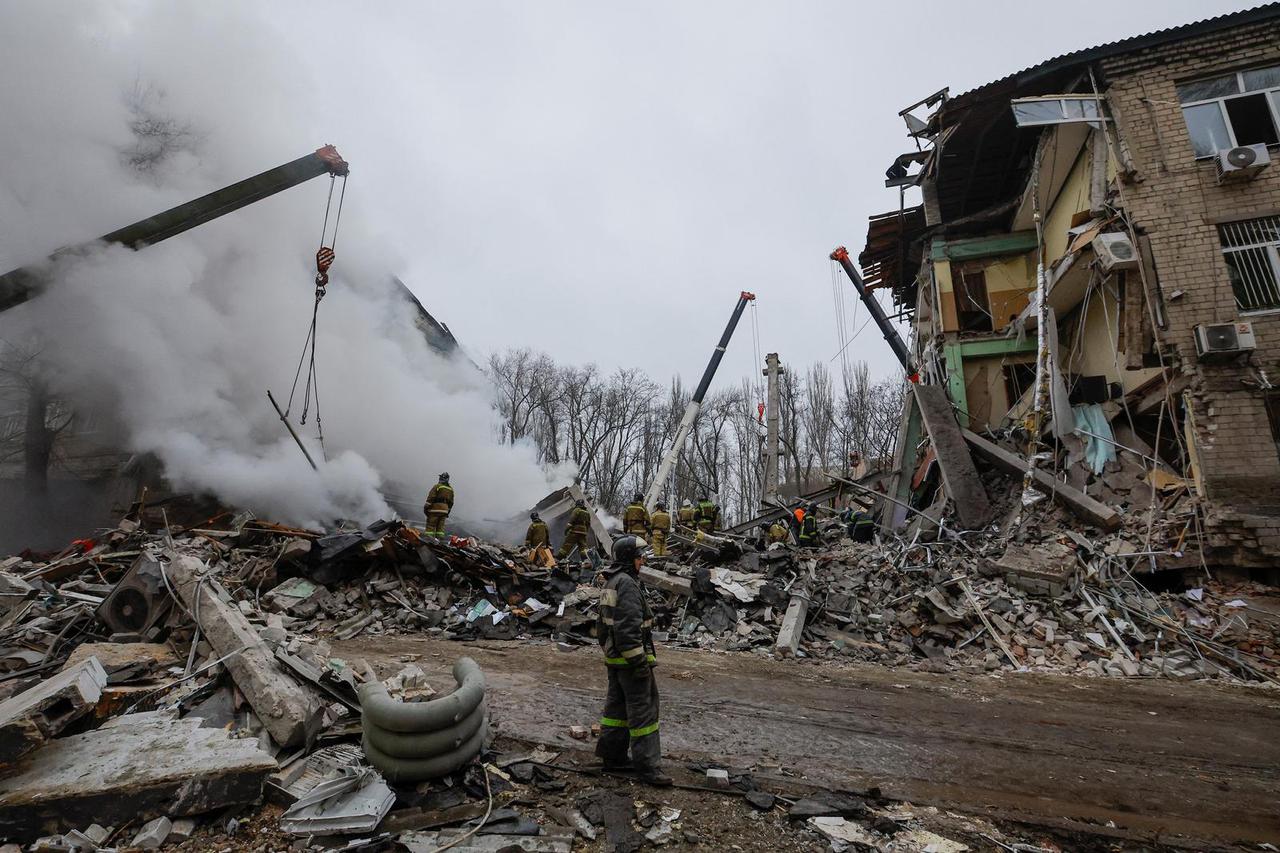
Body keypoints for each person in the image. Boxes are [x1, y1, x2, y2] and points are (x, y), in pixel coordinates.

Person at [595, 534, 670, 785]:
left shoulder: (612, 582)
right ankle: (648, 767)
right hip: (630, 663)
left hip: (616, 661)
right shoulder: (626, 584)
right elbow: (627, 631)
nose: (642, 561)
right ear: (628, 559)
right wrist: (639, 664)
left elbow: (604, 628)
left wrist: (611, 653)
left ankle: (613, 756)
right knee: (643, 713)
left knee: (616, 710)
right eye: (639, 557)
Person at [423, 473, 454, 538]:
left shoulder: (437, 486)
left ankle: (428, 539)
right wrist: (448, 511)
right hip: (444, 511)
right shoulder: (451, 489)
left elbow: (431, 497)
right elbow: (451, 502)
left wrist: (426, 507)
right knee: (440, 527)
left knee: (431, 525)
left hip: (435, 509)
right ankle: (439, 540)